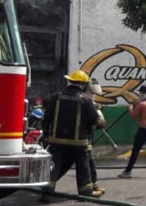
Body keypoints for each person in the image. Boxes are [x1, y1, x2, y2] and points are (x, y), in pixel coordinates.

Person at [41, 69, 103, 198]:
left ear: (70, 81)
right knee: (83, 166)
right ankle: (86, 192)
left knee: (54, 165)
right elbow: (95, 120)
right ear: (84, 84)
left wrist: (46, 133)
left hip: (56, 140)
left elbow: (47, 117)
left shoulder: (56, 96)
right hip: (78, 142)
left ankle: (46, 192)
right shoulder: (85, 100)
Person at [118, 84, 146, 178]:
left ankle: (128, 171)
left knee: (135, 151)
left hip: (143, 130)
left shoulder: (141, 104)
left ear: (141, 93)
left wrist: (130, 108)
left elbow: (134, 116)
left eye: (140, 92)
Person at [87, 78, 106, 196]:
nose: (93, 95)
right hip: (82, 141)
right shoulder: (85, 102)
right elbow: (100, 122)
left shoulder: (86, 101)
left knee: (60, 165)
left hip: (79, 140)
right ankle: (91, 188)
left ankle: (47, 190)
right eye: (92, 93)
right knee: (88, 164)